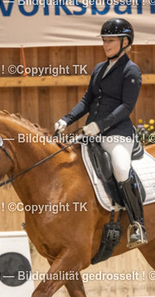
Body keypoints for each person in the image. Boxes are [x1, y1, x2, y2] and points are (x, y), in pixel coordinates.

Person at [54, 18, 146, 247]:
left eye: (111, 40)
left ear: (125, 42)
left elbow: (126, 106)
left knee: (121, 168)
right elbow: (87, 100)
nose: (106, 45)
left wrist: (101, 125)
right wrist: (66, 119)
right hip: (91, 133)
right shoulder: (99, 69)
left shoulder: (131, 70)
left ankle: (138, 224)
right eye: (104, 40)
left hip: (118, 134)